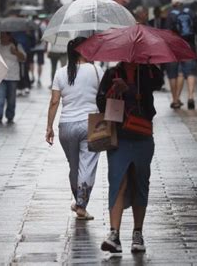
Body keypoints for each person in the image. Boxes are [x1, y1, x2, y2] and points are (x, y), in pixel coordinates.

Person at [96, 62, 163, 254]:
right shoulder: (112, 73)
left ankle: (137, 233)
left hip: (142, 135)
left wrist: (132, 89)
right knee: (118, 181)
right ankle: (114, 234)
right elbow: (100, 102)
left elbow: (158, 85)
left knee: (140, 181)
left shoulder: (148, 72)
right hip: (120, 137)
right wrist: (112, 91)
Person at [46, 37, 103, 220]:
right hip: (91, 122)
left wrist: (49, 127)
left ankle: (79, 201)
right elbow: (105, 95)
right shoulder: (96, 70)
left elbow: (55, 101)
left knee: (74, 166)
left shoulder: (62, 72)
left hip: (67, 124)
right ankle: (81, 205)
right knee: (88, 166)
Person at [165, 0, 197, 109]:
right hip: (189, 47)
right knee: (190, 73)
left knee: (173, 74)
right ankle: (191, 96)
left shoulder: (171, 14)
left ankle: (175, 99)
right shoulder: (191, 13)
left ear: (173, 5)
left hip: (174, 49)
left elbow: (166, 34)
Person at [0, 32, 26, 124]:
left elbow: (23, 58)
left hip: (13, 77)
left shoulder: (16, 46)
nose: (1, 38)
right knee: (0, 98)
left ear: (9, 37)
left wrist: (16, 52)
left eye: (3, 36)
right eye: (0, 36)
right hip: (0, 77)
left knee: (11, 99)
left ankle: (10, 116)